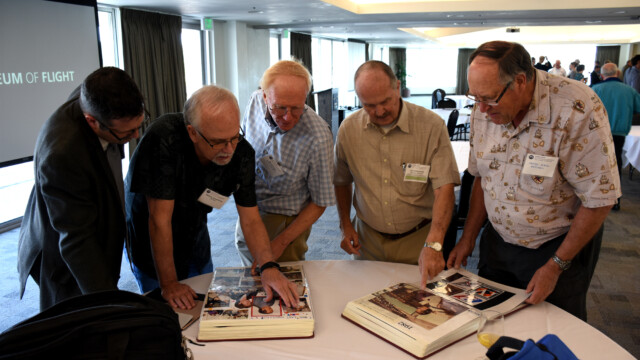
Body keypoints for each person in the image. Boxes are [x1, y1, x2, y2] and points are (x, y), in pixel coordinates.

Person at [448, 40, 620, 321]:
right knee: (493, 324)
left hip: (556, 247)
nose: (480, 110)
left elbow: (599, 199)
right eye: (474, 98)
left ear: (519, 81)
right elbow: (482, 177)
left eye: (489, 99)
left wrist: (556, 265)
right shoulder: (484, 108)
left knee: (552, 331)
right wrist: (468, 238)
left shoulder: (577, 108)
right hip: (498, 243)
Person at [125, 85, 299, 310]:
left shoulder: (241, 152)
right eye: (218, 142)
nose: (229, 149)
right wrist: (168, 284)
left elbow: (250, 218)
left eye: (234, 137)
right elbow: (159, 219)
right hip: (150, 236)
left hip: (194, 227)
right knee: (165, 308)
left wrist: (269, 267)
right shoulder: (164, 139)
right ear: (192, 132)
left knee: (200, 296)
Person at [18, 67, 145, 310]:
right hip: (62, 252)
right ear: (92, 121)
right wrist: (106, 302)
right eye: (127, 132)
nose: (136, 135)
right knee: (76, 317)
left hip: (90, 215)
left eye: (139, 124)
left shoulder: (95, 95)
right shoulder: (62, 155)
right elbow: (77, 241)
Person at [334, 60, 460, 288]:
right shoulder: (348, 130)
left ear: (397, 87)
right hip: (368, 240)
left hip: (418, 238)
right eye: (369, 105)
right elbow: (342, 181)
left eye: (385, 101)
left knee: (418, 310)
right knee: (366, 303)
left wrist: (435, 244)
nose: (379, 111)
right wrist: (345, 225)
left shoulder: (431, 126)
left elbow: (445, 188)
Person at [235, 60, 335, 266]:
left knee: (281, 288)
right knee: (249, 280)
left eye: (296, 108)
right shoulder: (254, 102)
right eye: (279, 108)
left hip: (284, 223)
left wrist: (281, 242)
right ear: (264, 96)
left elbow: (320, 202)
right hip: (248, 209)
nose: (288, 118)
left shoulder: (318, 136)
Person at [592, 63, 640, 210]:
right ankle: (615, 199)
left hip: (598, 132)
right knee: (615, 163)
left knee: (595, 164)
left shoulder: (596, 89)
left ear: (602, 74)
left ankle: (595, 198)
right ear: (618, 73)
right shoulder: (630, 91)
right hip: (619, 132)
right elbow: (638, 109)